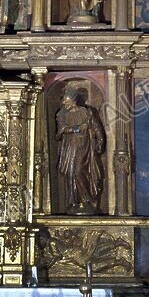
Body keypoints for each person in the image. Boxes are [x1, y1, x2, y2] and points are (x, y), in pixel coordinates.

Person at [55, 86, 105, 214]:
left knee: (79, 172)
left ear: (74, 100)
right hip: (69, 147)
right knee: (70, 174)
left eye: (66, 101)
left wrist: (100, 141)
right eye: (63, 101)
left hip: (85, 147)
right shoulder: (62, 114)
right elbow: (59, 134)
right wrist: (77, 129)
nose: (64, 103)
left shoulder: (87, 112)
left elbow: (97, 127)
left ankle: (88, 200)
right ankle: (75, 202)